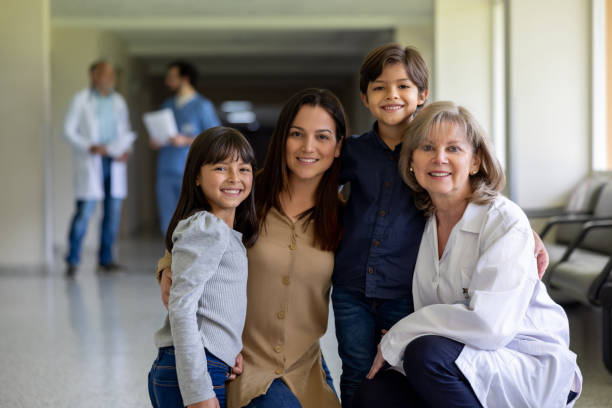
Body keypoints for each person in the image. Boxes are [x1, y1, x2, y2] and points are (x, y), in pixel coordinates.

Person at [330, 43, 550, 408]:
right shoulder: (364, 159)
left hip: (416, 299)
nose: (438, 158)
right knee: (364, 375)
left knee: (419, 357)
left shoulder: (437, 155)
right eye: (380, 87)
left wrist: (525, 230)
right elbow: (317, 191)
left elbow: (486, 207)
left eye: (403, 86)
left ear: (422, 96)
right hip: (355, 285)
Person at [353, 101, 582, 408]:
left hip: (523, 360)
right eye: (427, 147)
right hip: (458, 360)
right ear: (411, 161)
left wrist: (402, 332)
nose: (439, 159)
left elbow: (489, 326)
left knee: (425, 354)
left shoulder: (503, 221)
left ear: (475, 161)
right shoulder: (419, 221)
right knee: (373, 395)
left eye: (454, 149)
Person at [157, 88, 346, 407]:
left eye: (323, 137)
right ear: (281, 138)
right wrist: (164, 267)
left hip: (304, 364)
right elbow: (192, 231)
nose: (308, 147)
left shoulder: (343, 216)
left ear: (339, 146)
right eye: (296, 134)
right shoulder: (244, 195)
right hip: (241, 365)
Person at [148, 127, 258, 408]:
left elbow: (214, 306)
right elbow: (182, 308)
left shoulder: (224, 232)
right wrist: (198, 391)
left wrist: (228, 347)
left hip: (204, 362)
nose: (235, 178)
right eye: (221, 168)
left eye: (244, 169)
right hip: (192, 370)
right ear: (196, 176)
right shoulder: (207, 227)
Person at [63, 60, 136, 277]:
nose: (110, 77)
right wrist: (89, 146)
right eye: (106, 73)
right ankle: (72, 260)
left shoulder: (118, 101)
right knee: (84, 213)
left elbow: (126, 131)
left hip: (114, 161)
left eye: (112, 73)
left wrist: (126, 151)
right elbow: (68, 131)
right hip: (91, 160)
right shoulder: (80, 100)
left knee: (112, 214)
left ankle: (105, 260)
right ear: (94, 75)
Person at [151, 60, 222, 235]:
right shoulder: (167, 105)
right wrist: (157, 140)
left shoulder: (202, 106)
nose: (167, 81)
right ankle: (170, 259)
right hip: (166, 168)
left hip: (189, 170)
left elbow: (215, 137)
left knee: (190, 217)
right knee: (168, 219)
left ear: (185, 78)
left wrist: (185, 140)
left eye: (172, 76)